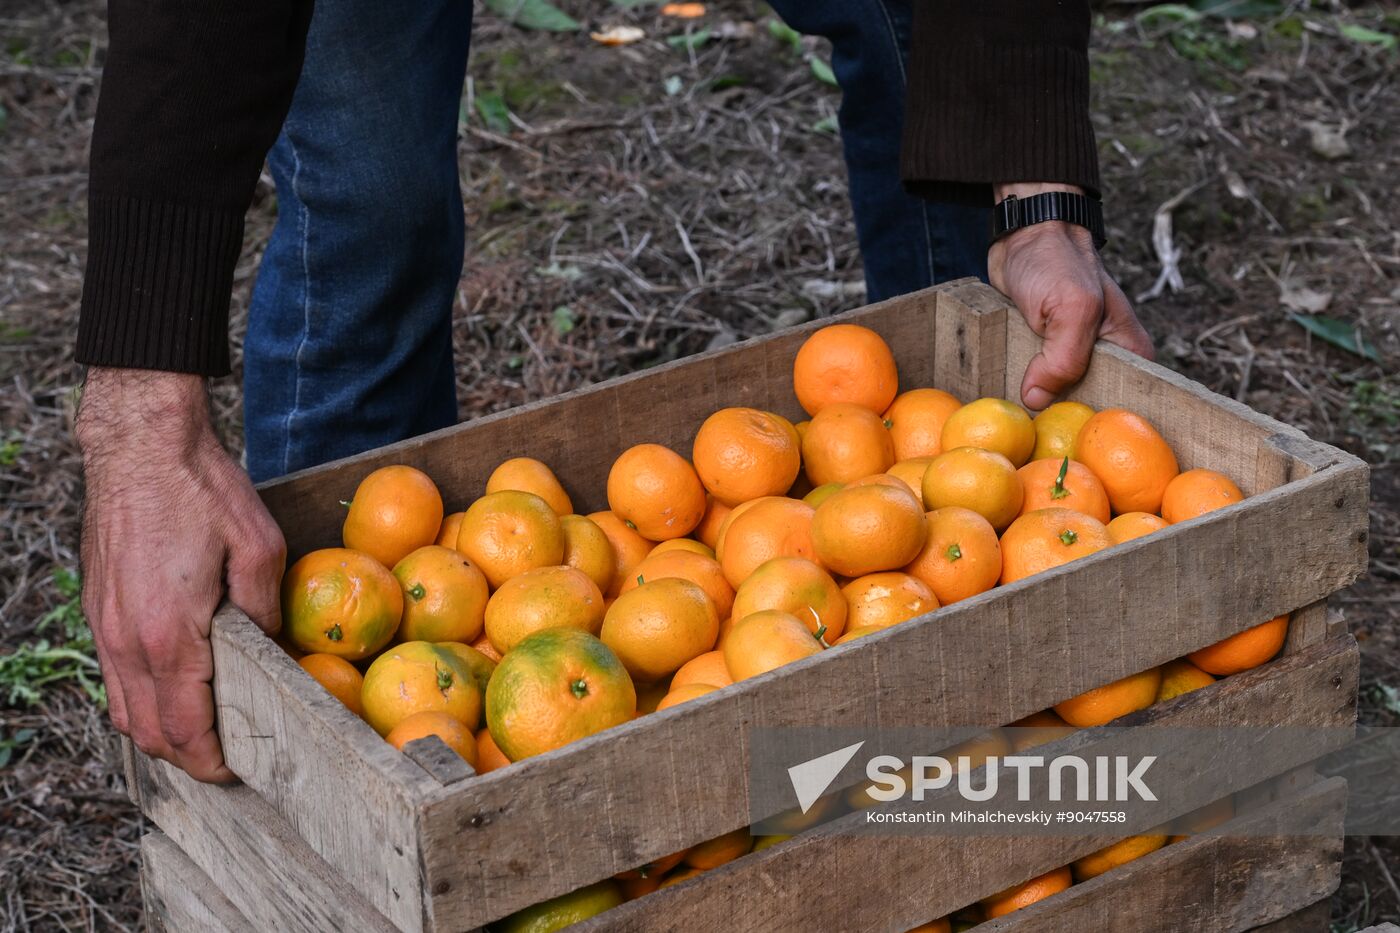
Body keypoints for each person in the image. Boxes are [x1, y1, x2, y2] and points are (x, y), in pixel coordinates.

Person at [74, 0, 1153, 783]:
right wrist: (141, 408)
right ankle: (353, 766)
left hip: (880, 563)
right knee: (369, 180)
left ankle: (968, 631)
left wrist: (1037, 199)